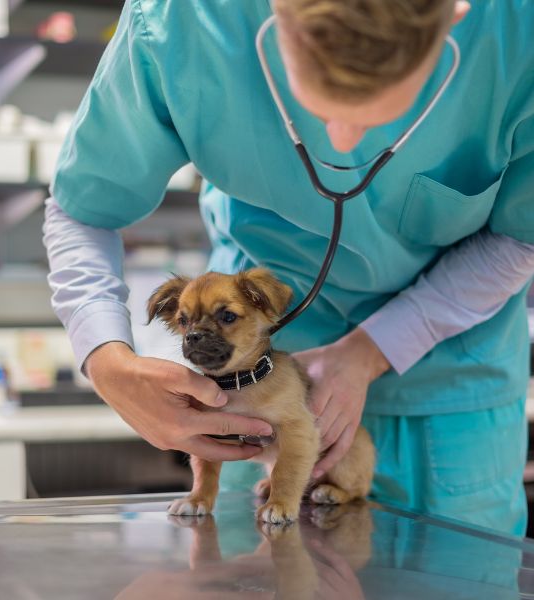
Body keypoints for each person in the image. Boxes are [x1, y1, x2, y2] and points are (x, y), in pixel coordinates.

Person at [43, 0, 534, 536]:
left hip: (453, 386)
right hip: (246, 403)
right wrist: (106, 360)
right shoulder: (185, 21)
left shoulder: (518, 31)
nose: (343, 143)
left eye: (382, 107)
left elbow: (523, 235)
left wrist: (372, 350)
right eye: (319, 103)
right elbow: (81, 207)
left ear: (456, 14)